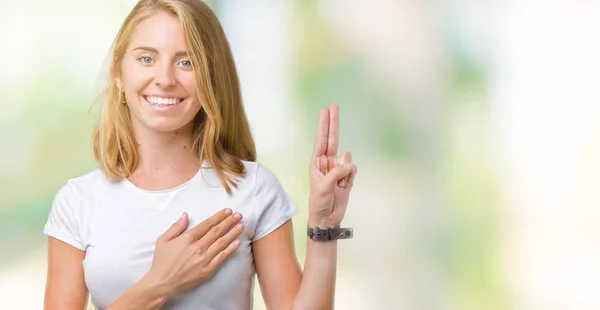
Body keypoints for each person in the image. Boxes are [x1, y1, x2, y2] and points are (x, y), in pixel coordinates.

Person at [42, 0, 358, 309]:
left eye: (186, 62)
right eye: (147, 59)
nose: (165, 79)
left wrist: (325, 225)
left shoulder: (254, 189)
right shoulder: (77, 202)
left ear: (211, 77)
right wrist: (160, 283)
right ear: (119, 74)